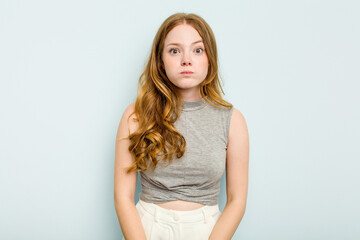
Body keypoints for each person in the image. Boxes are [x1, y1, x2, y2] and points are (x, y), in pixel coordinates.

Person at [114, 12, 249, 240]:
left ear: (210, 58)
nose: (186, 60)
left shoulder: (233, 120)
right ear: (161, 61)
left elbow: (237, 200)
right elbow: (123, 197)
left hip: (208, 230)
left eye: (197, 50)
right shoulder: (135, 115)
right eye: (174, 50)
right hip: (147, 227)